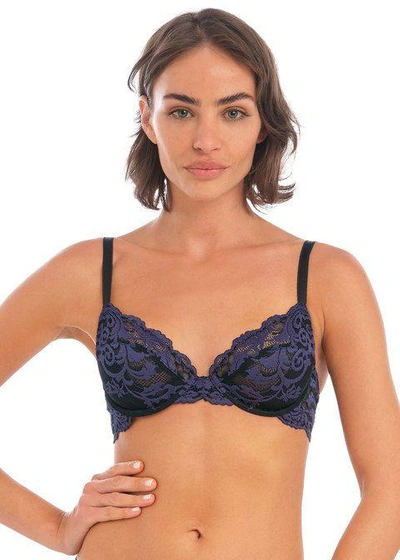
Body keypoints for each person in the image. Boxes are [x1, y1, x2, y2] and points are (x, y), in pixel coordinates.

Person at [1, 7, 400, 560]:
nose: (206, 140)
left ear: (263, 123)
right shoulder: (92, 270)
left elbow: (390, 489)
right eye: (182, 111)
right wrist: (58, 528)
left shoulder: (325, 276)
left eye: (232, 112)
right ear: (148, 118)